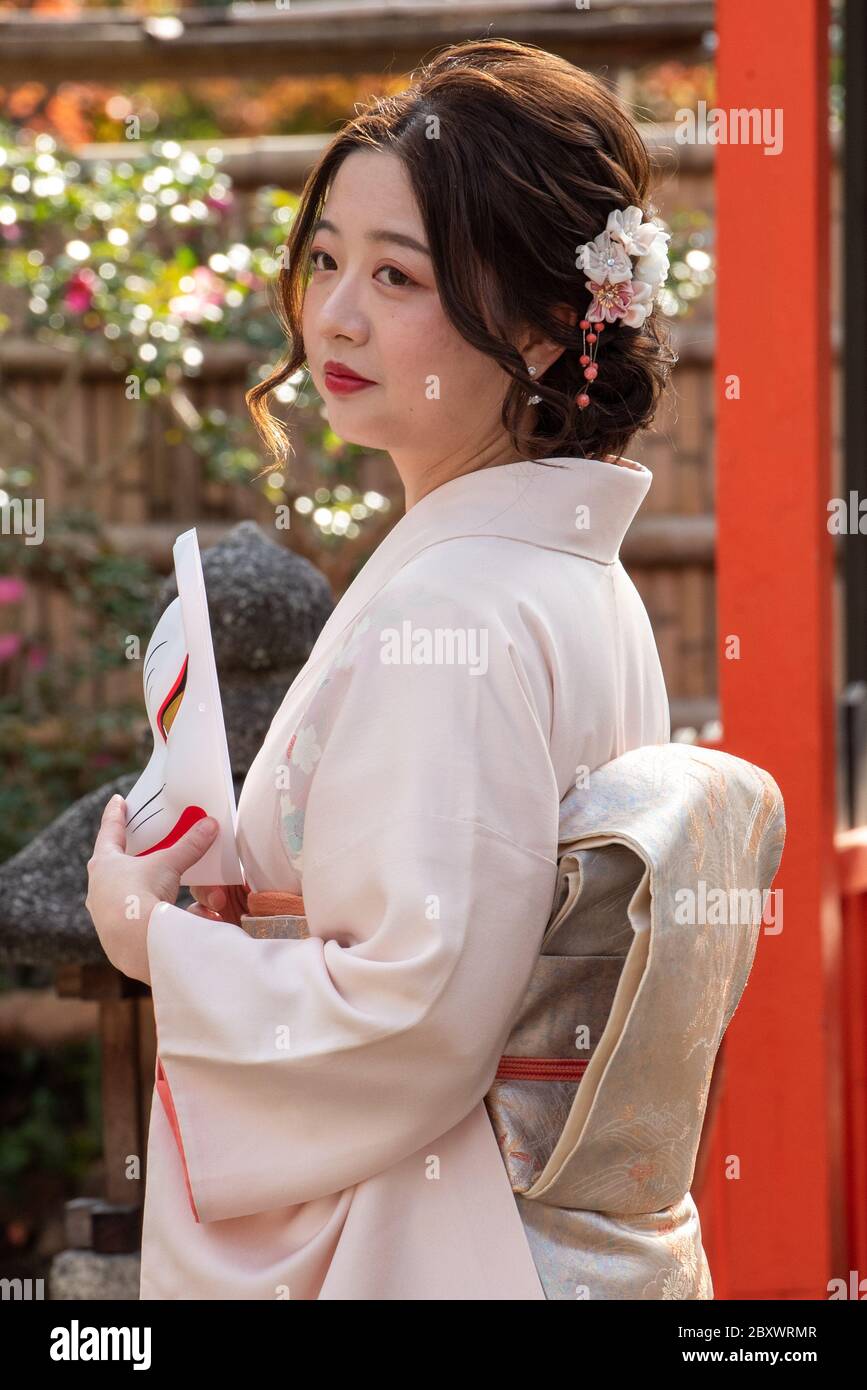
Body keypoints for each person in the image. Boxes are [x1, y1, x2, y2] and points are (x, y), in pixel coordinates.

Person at [86, 37, 676, 1299]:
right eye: (326, 260)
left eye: (396, 274)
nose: (335, 314)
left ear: (543, 319)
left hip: (434, 1236)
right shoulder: (569, 578)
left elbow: (411, 1018)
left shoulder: (456, 608)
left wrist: (150, 937)